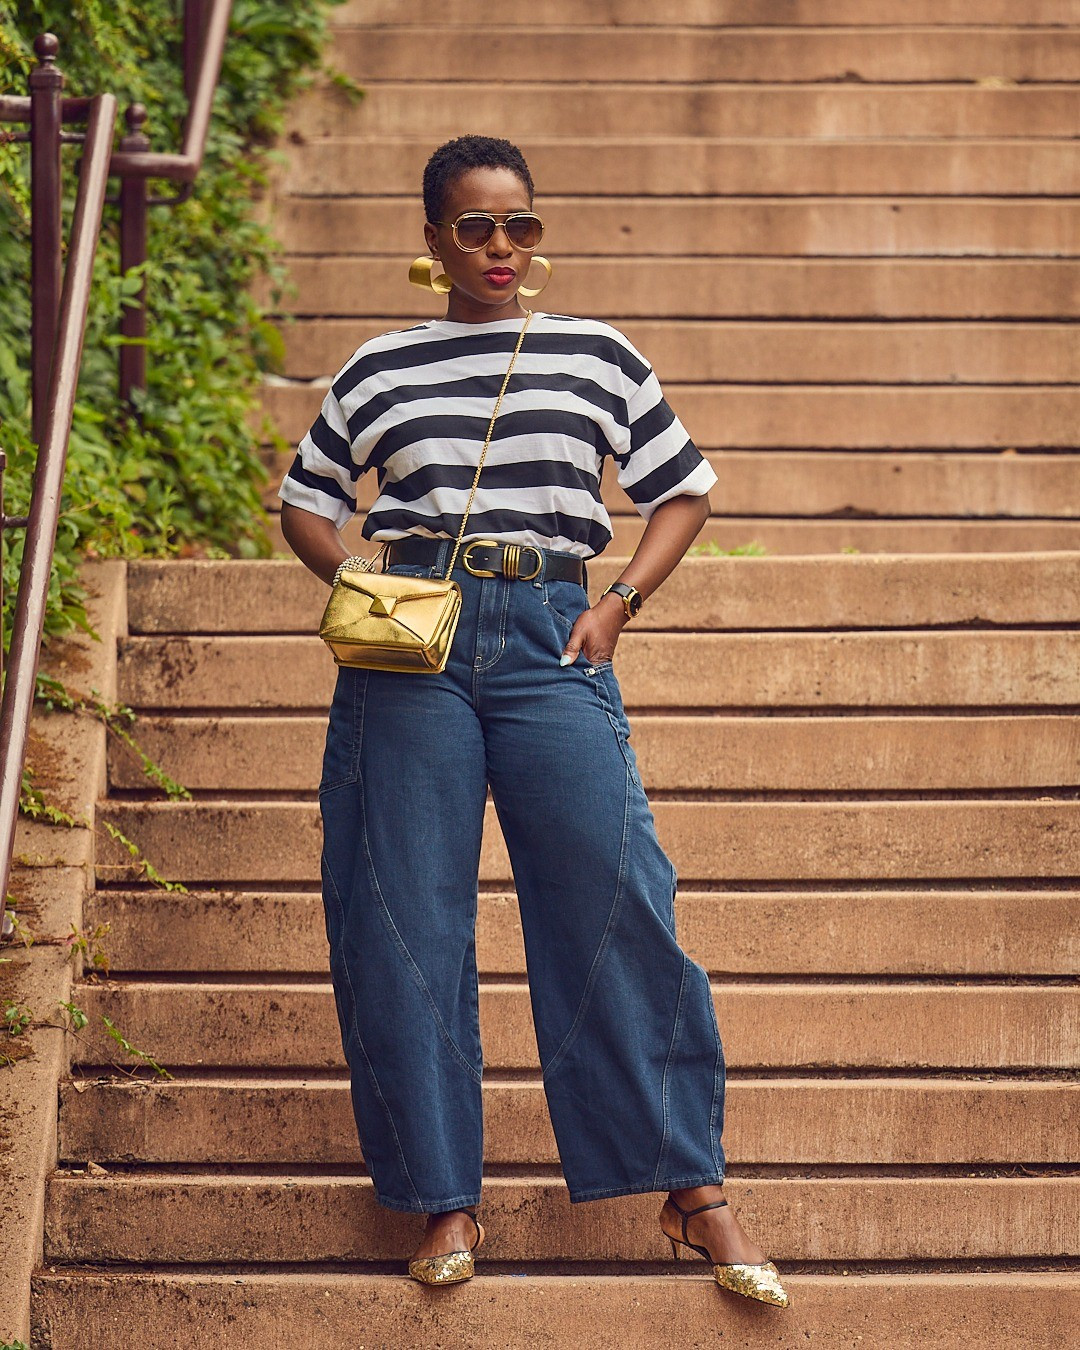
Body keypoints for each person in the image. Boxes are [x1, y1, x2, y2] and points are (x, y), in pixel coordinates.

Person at [278, 134, 789, 1309]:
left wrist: (616, 606)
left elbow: (684, 489)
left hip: (555, 632)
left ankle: (690, 1187)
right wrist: (364, 593)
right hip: (415, 648)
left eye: (520, 226)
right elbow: (307, 505)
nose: (501, 248)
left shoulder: (595, 354)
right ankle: (443, 1198)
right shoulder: (378, 369)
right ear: (433, 238)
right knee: (402, 913)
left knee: (619, 896)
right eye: (474, 226)